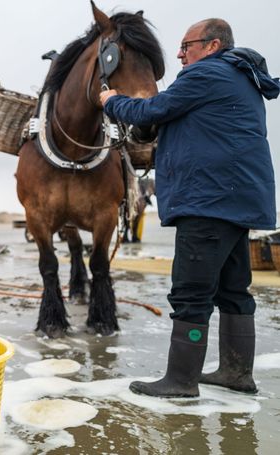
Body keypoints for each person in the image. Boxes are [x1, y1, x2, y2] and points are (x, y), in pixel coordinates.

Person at [100, 19, 278, 398]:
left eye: (186, 46)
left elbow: (150, 112)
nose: (180, 54)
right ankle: (236, 372)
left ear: (212, 45)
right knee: (233, 290)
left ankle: (180, 381)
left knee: (191, 293)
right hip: (236, 201)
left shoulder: (206, 74)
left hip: (209, 202)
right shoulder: (241, 79)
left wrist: (110, 101)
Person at [123, 178, 155, 243]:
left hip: (133, 203)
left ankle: (130, 236)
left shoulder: (142, 190)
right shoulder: (142, 195)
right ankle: (131, 236)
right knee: (133, 221)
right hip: (133, 204)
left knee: (132, 221)